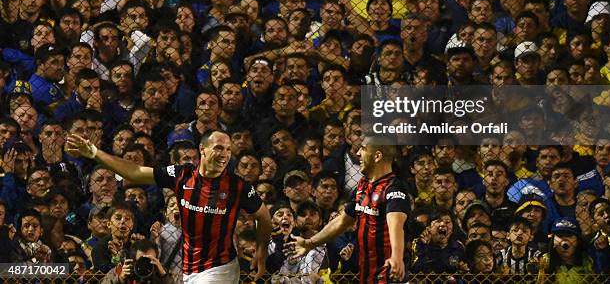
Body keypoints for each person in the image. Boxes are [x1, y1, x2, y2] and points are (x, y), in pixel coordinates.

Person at [66, 129, 272, 283]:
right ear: (203, 149)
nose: (225, 154)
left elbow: (263, 216)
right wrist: (94, 152)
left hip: (221, 267)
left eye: (228, 150)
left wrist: (261, 251)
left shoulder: (237, 186)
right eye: (218, 148)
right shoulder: (182, 175)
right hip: (189, 270)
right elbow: (135, 172)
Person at [286, 137, 409, 283]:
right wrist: (310, 243)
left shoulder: (393, 188)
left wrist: (396, 256)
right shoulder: (363, 186)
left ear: (377, 156)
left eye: (363, 149)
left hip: (389, 273)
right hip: (367, 275)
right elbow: (343, 220)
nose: (358, 153)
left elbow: (396, 222)